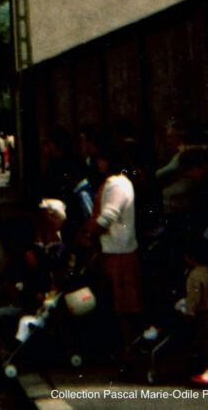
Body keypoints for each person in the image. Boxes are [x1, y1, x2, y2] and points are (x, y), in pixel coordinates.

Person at [77, 140, 142, 352]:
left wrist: (89, 234)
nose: (98, 163)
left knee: (122, 302)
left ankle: (128, 347)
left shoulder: (118, 184)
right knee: (115, 301)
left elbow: (108, 216)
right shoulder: (114, 182)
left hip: (119, 251)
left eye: (102, 159)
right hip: (112, 249)